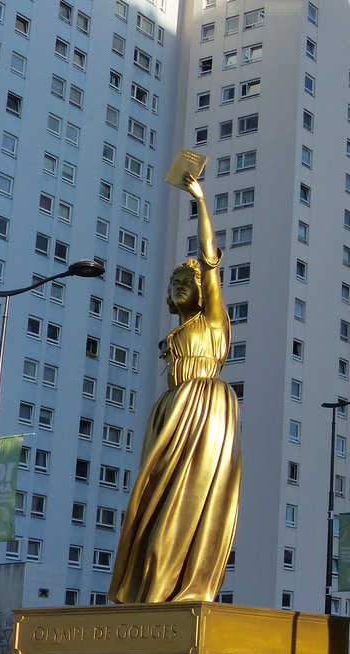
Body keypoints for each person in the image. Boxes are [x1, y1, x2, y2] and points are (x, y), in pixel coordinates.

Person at [109, 174, 242, 603]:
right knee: (152, 503)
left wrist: (200, 200)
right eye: (174, 284)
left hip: (204, 406)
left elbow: (208, 259)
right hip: (170, 409)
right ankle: (147, 587)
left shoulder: (212, 322)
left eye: (187, 282)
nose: (179, 286)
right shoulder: (179, 332)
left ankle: (181, 585)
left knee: (185, 502)